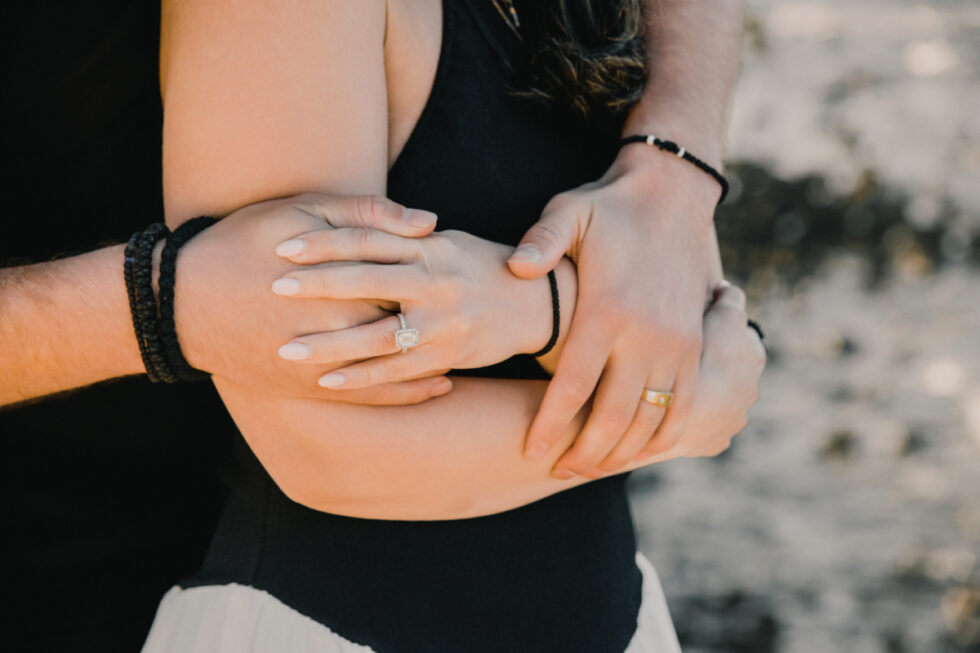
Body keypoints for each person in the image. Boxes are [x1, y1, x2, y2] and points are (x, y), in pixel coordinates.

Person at [141, 0, 760, 651]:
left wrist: (667, 178)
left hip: (615, 616)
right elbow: (318, 441)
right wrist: (671, 414)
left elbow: (678, 289)